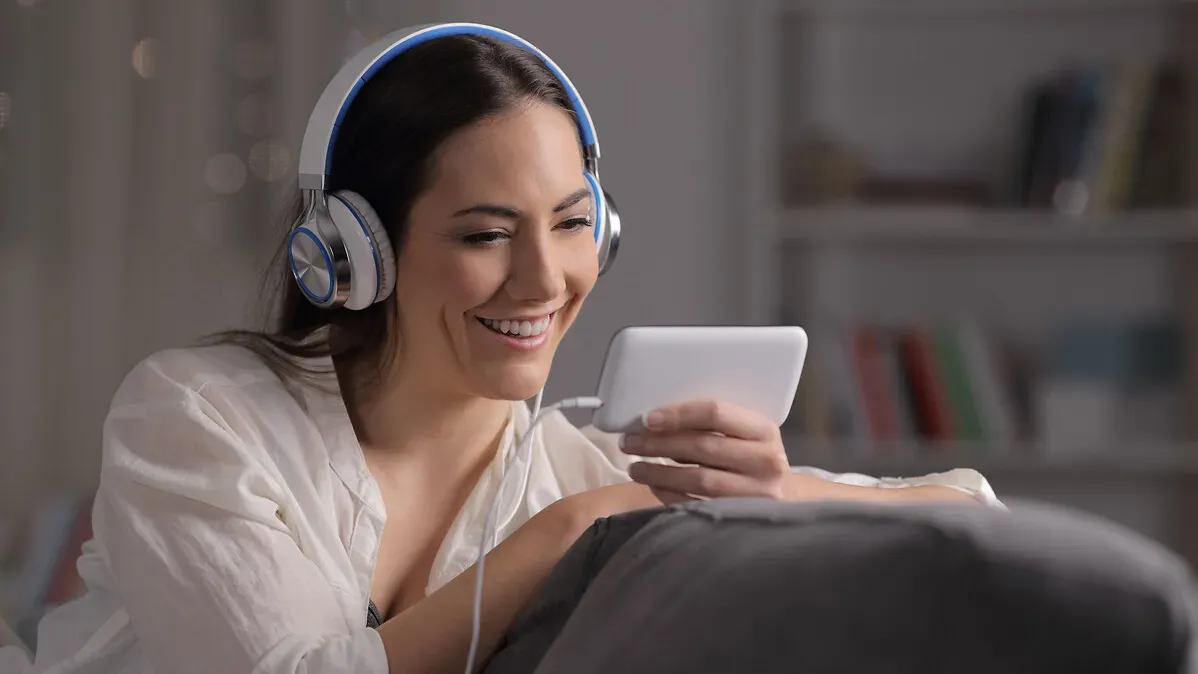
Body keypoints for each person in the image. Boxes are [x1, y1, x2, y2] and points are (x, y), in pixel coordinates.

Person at [21, 24, 1001, 674]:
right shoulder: (196, 413)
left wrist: (773, 499)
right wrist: (572, 531)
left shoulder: (592, 464)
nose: (545, 278)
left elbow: (972, 511)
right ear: (354, 253)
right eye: (486, 234)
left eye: (573, 224)